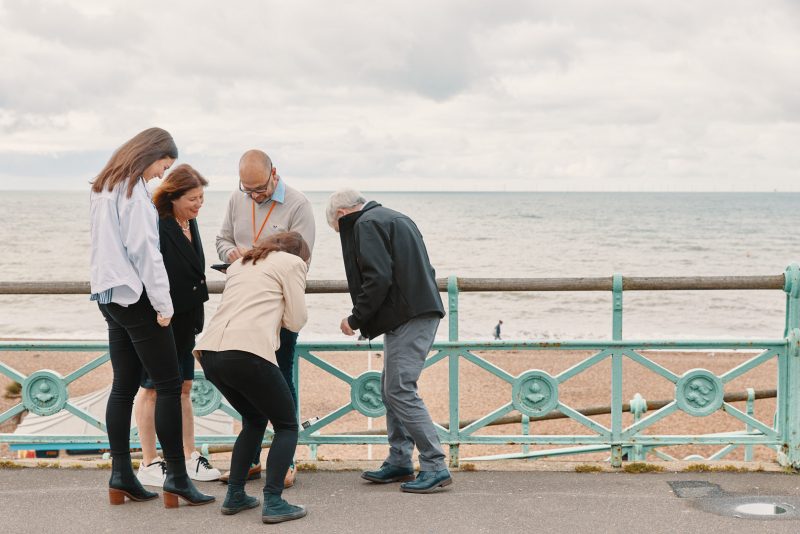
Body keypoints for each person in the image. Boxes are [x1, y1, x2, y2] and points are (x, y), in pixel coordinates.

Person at [89, 127, 214, 507]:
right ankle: (177, 478)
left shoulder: (104, 186)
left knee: (123, 387)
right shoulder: (134, 194)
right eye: (164, 164)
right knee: (170, 386)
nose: (163, 173)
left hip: (109, 296)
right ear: (150, 154)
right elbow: (146, 254)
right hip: (137, 299)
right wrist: (164, 306)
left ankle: (121, 475)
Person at [326, 189, 453, 494]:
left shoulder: (366, 223)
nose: (344, 235)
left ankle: (435, 464)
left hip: (408, 315)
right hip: (417, 310)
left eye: (339, 230)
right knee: (391, 388)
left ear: (342, 215)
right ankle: (399, 460)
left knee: (399, 389)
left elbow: (377, 278)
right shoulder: (397, 218)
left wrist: (355, 318)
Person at [215, 149, 315, 487]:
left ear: (275, 174)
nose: (255, 196)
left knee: (281, 378)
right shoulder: (237, 199)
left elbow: (302, 259)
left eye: (260, 189)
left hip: (278, 307)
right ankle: (252, 459)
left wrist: (262, 261)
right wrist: (232, 254)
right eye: (248, 190)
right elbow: (222, 239)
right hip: (244, 303)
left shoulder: (298, 204)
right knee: (248, 386)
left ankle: (285, 461)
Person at [194, 232, 310, 524]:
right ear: (300, 254)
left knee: (255, 419)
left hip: (210, 353)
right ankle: (274, 501)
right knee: (286, 425)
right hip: (247, 352)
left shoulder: (240, 263)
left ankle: (235, 494)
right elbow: (296, 320)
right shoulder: (293, 263)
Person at [134, 164, 221, 486]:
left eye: (201, 198)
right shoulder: (157, 224)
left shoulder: (189, 221)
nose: (199, 204)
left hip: (188, 320)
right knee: (152, 389)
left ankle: (188, 454)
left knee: (185, 388)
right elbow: (147, 271)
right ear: (172, 197)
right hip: (161, 319)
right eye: (193, 199)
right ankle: (149, 461)